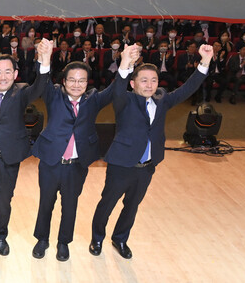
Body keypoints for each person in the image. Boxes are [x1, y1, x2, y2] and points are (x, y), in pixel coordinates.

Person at [89, 43, 212, 260]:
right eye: (144, 80)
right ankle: (97, 238)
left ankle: (120, 238)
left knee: (132, 205)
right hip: (121, 165)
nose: (149, 84)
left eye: (153, 80)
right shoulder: (123, 99)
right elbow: (118, 87)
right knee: (107, 203)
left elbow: (187, 89)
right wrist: (125, 63)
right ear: (133, 83)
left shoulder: (162, 99)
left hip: (146, 167)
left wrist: (204, 62)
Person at [33, 43, 134, 261]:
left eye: (81, 80)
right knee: (46, 204)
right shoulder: (53, 95)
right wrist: (45, 59)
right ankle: (42, 240)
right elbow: (42, 81)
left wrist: (125, 63)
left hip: (76, 165)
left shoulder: (94, 99)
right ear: (64, 81)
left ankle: (63, 242)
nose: (76, 84)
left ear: (87, 83)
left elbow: (116, 89)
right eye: (72, 79)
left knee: (70, 206)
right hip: (51, 162)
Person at [0, 40, 51, 257]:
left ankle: (0, 235)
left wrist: (45, 59)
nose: (2, 76)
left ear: (15, 74)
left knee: (4, 202)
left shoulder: (21, 93)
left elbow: (40, 86)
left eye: (7, 72)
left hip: (8, 159)